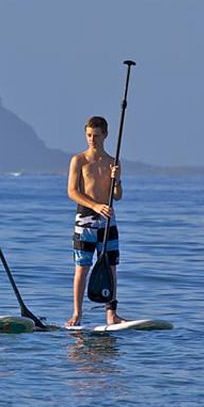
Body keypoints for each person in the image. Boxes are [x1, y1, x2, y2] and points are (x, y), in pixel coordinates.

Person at [66, 115, 125, 327]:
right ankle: (77, 314)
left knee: (110, 266)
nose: (92, 139)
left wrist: (116, 180)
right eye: (89, 135)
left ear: (105, 135)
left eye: (96, 136)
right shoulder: (79, 160)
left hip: (108, 220)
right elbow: (72, 192)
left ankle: (111, 314)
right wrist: (94, 206)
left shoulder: (113, 162)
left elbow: (117, 195)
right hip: (86, 219)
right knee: (82, 266)